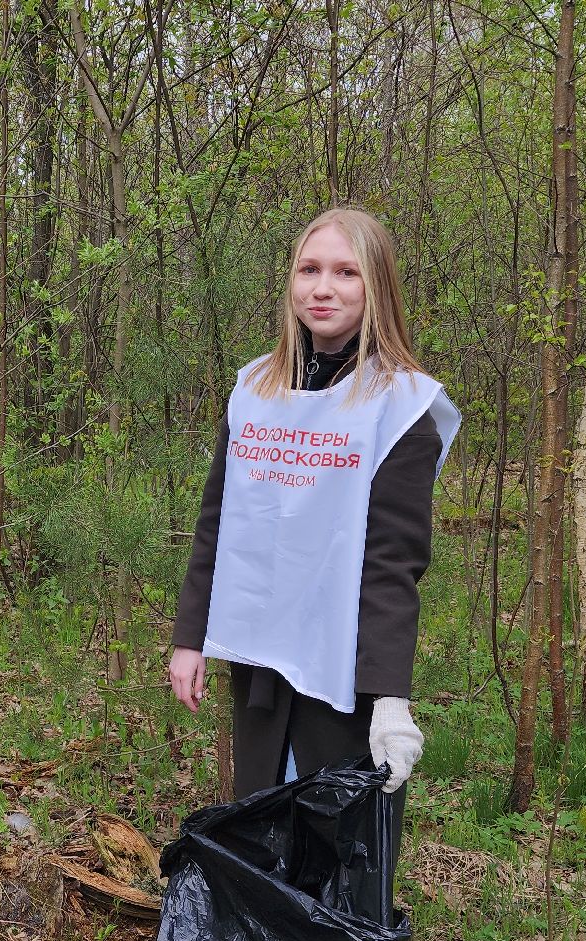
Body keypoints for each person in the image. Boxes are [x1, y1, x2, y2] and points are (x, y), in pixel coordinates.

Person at [169, 206, 459, 806]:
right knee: (262, 820)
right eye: (310, 270)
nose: (323, 288)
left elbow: (392, 563)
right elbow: (218, 522)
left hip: (343, 667)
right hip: (261, 663)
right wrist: (190, 638)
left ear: (376, 286)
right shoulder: (257, 391)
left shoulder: (399, 409)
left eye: (346, 273)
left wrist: (390, 698)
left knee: (335, 836)